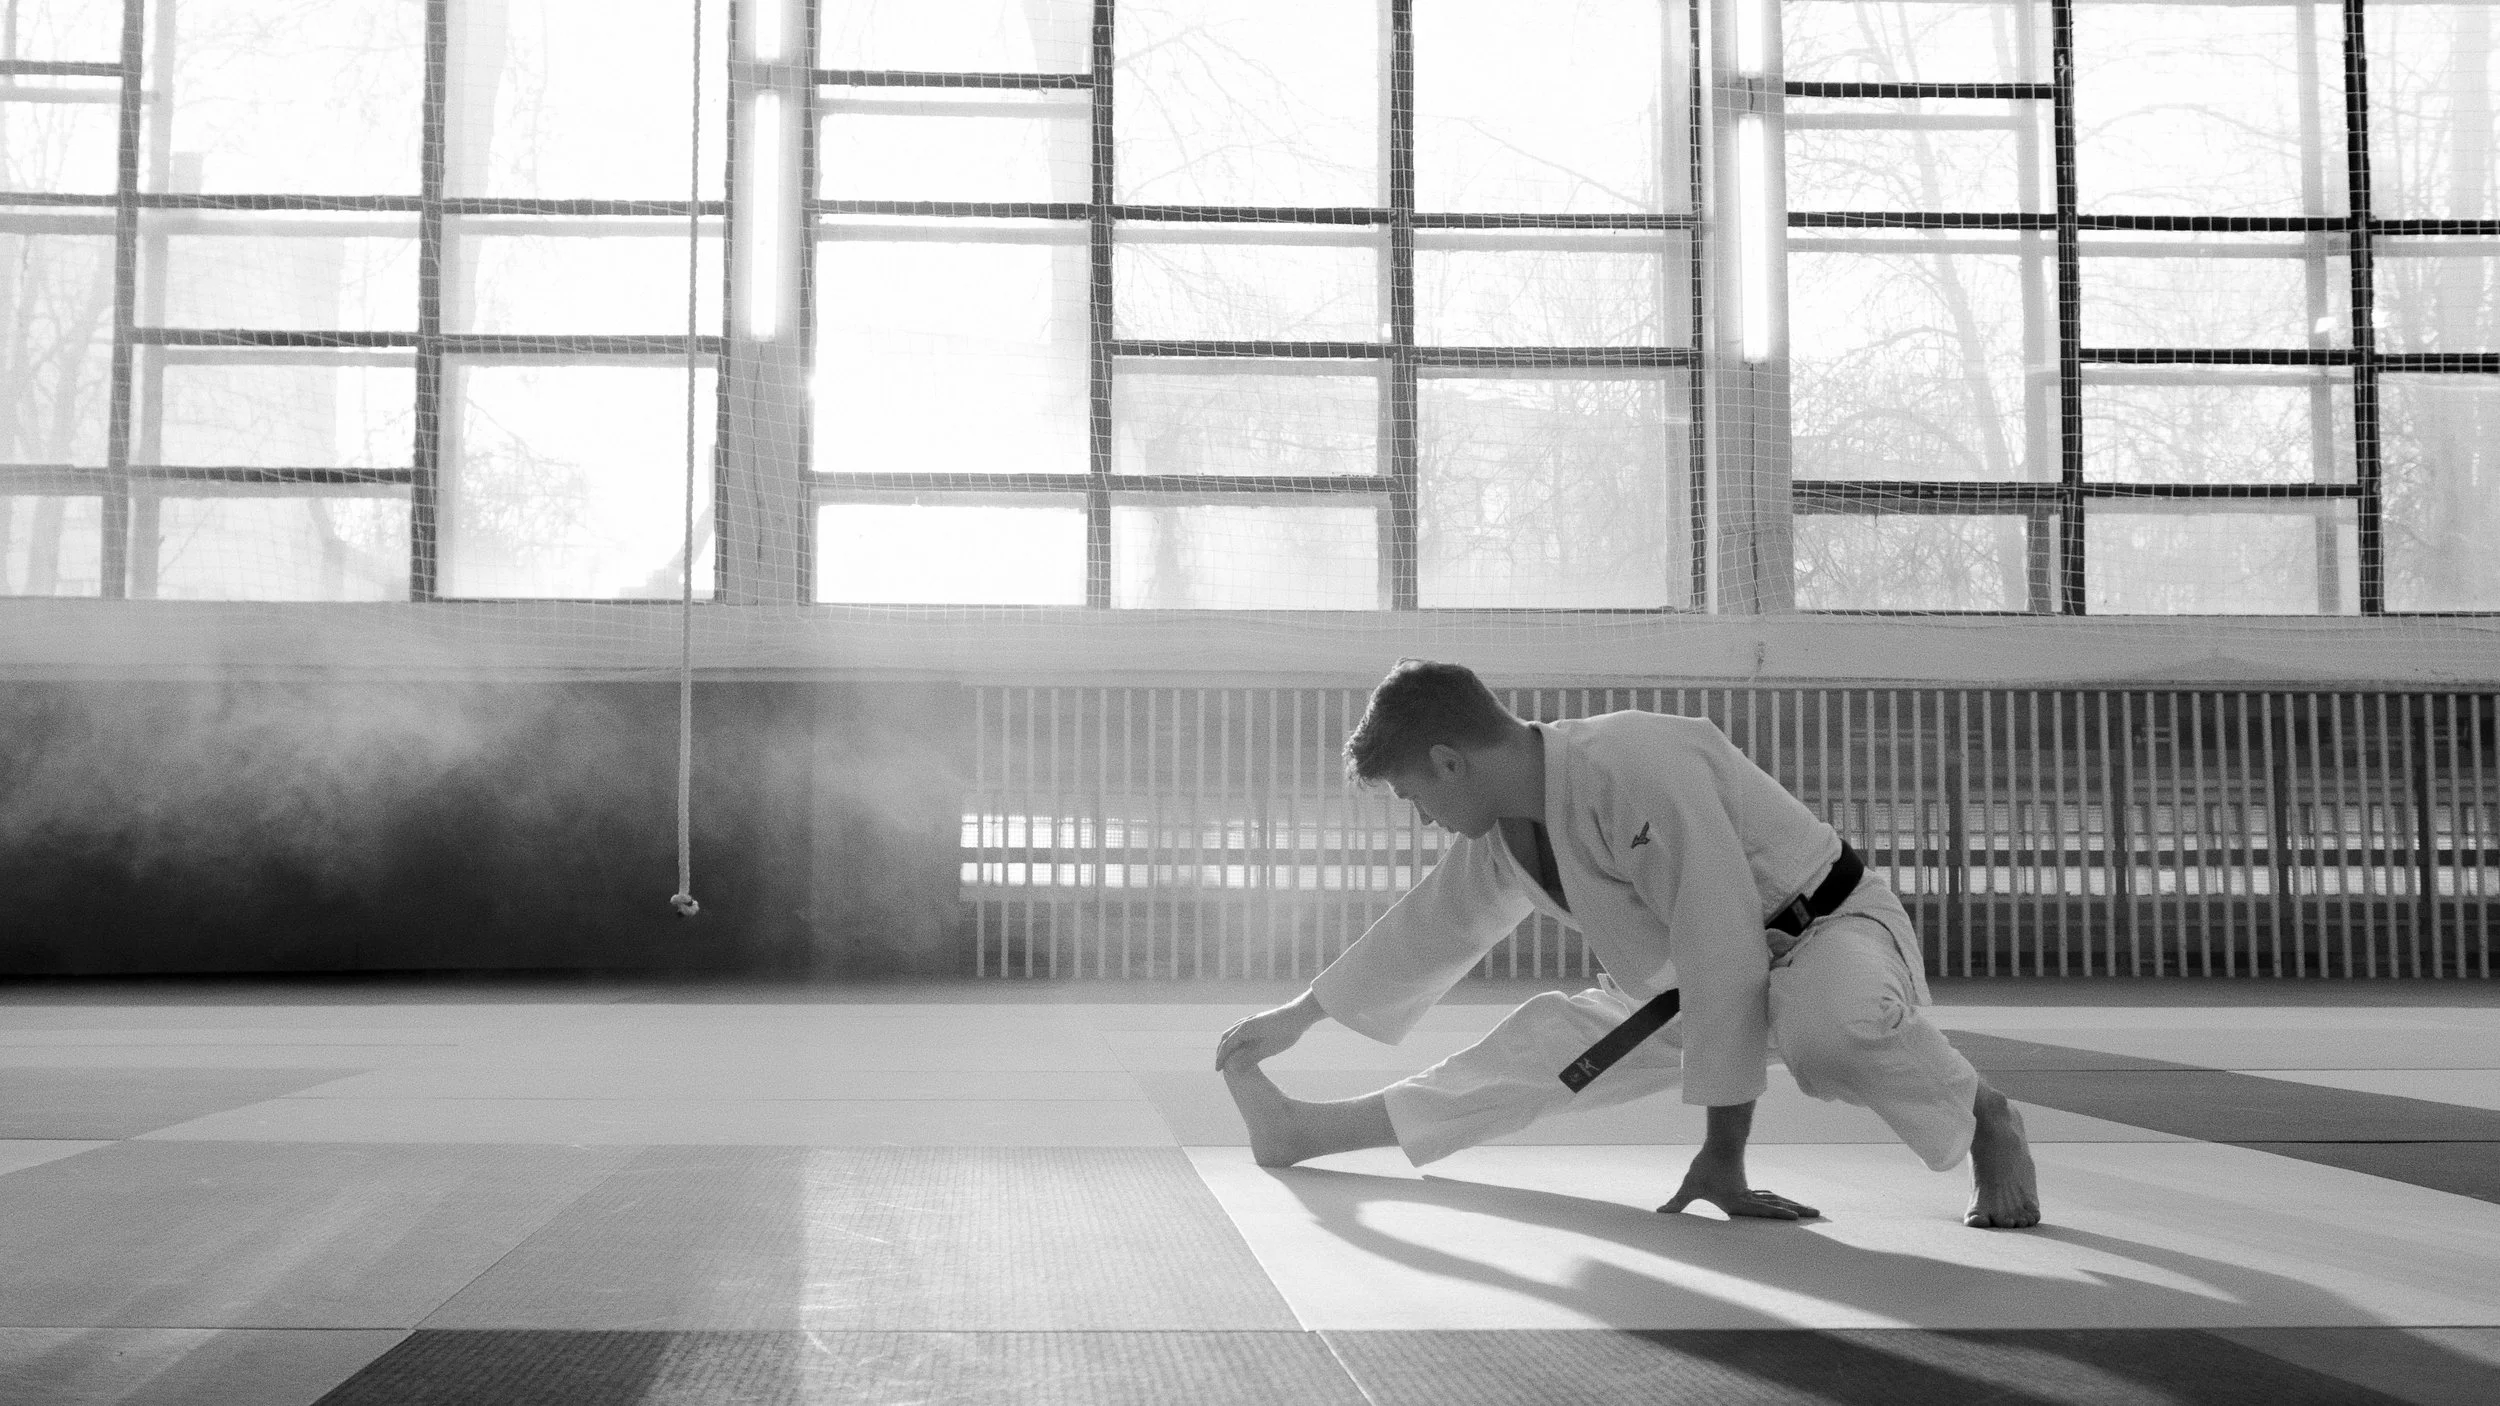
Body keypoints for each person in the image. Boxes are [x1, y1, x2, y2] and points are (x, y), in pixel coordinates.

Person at [1215, 659, 2041, 1228]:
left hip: (1826, 933)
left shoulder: (1633, 763)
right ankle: (1305, 1133)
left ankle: (1987, 1116)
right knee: (1543, 1050)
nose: (1422, 817)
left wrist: (1723, 1157)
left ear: (1449, 762)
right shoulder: (1509, 825)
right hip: (1685, 981)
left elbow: (1723, 947)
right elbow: (1431, 927)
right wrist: (1301, 1015)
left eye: (1412, 796)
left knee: (1827, 1031)